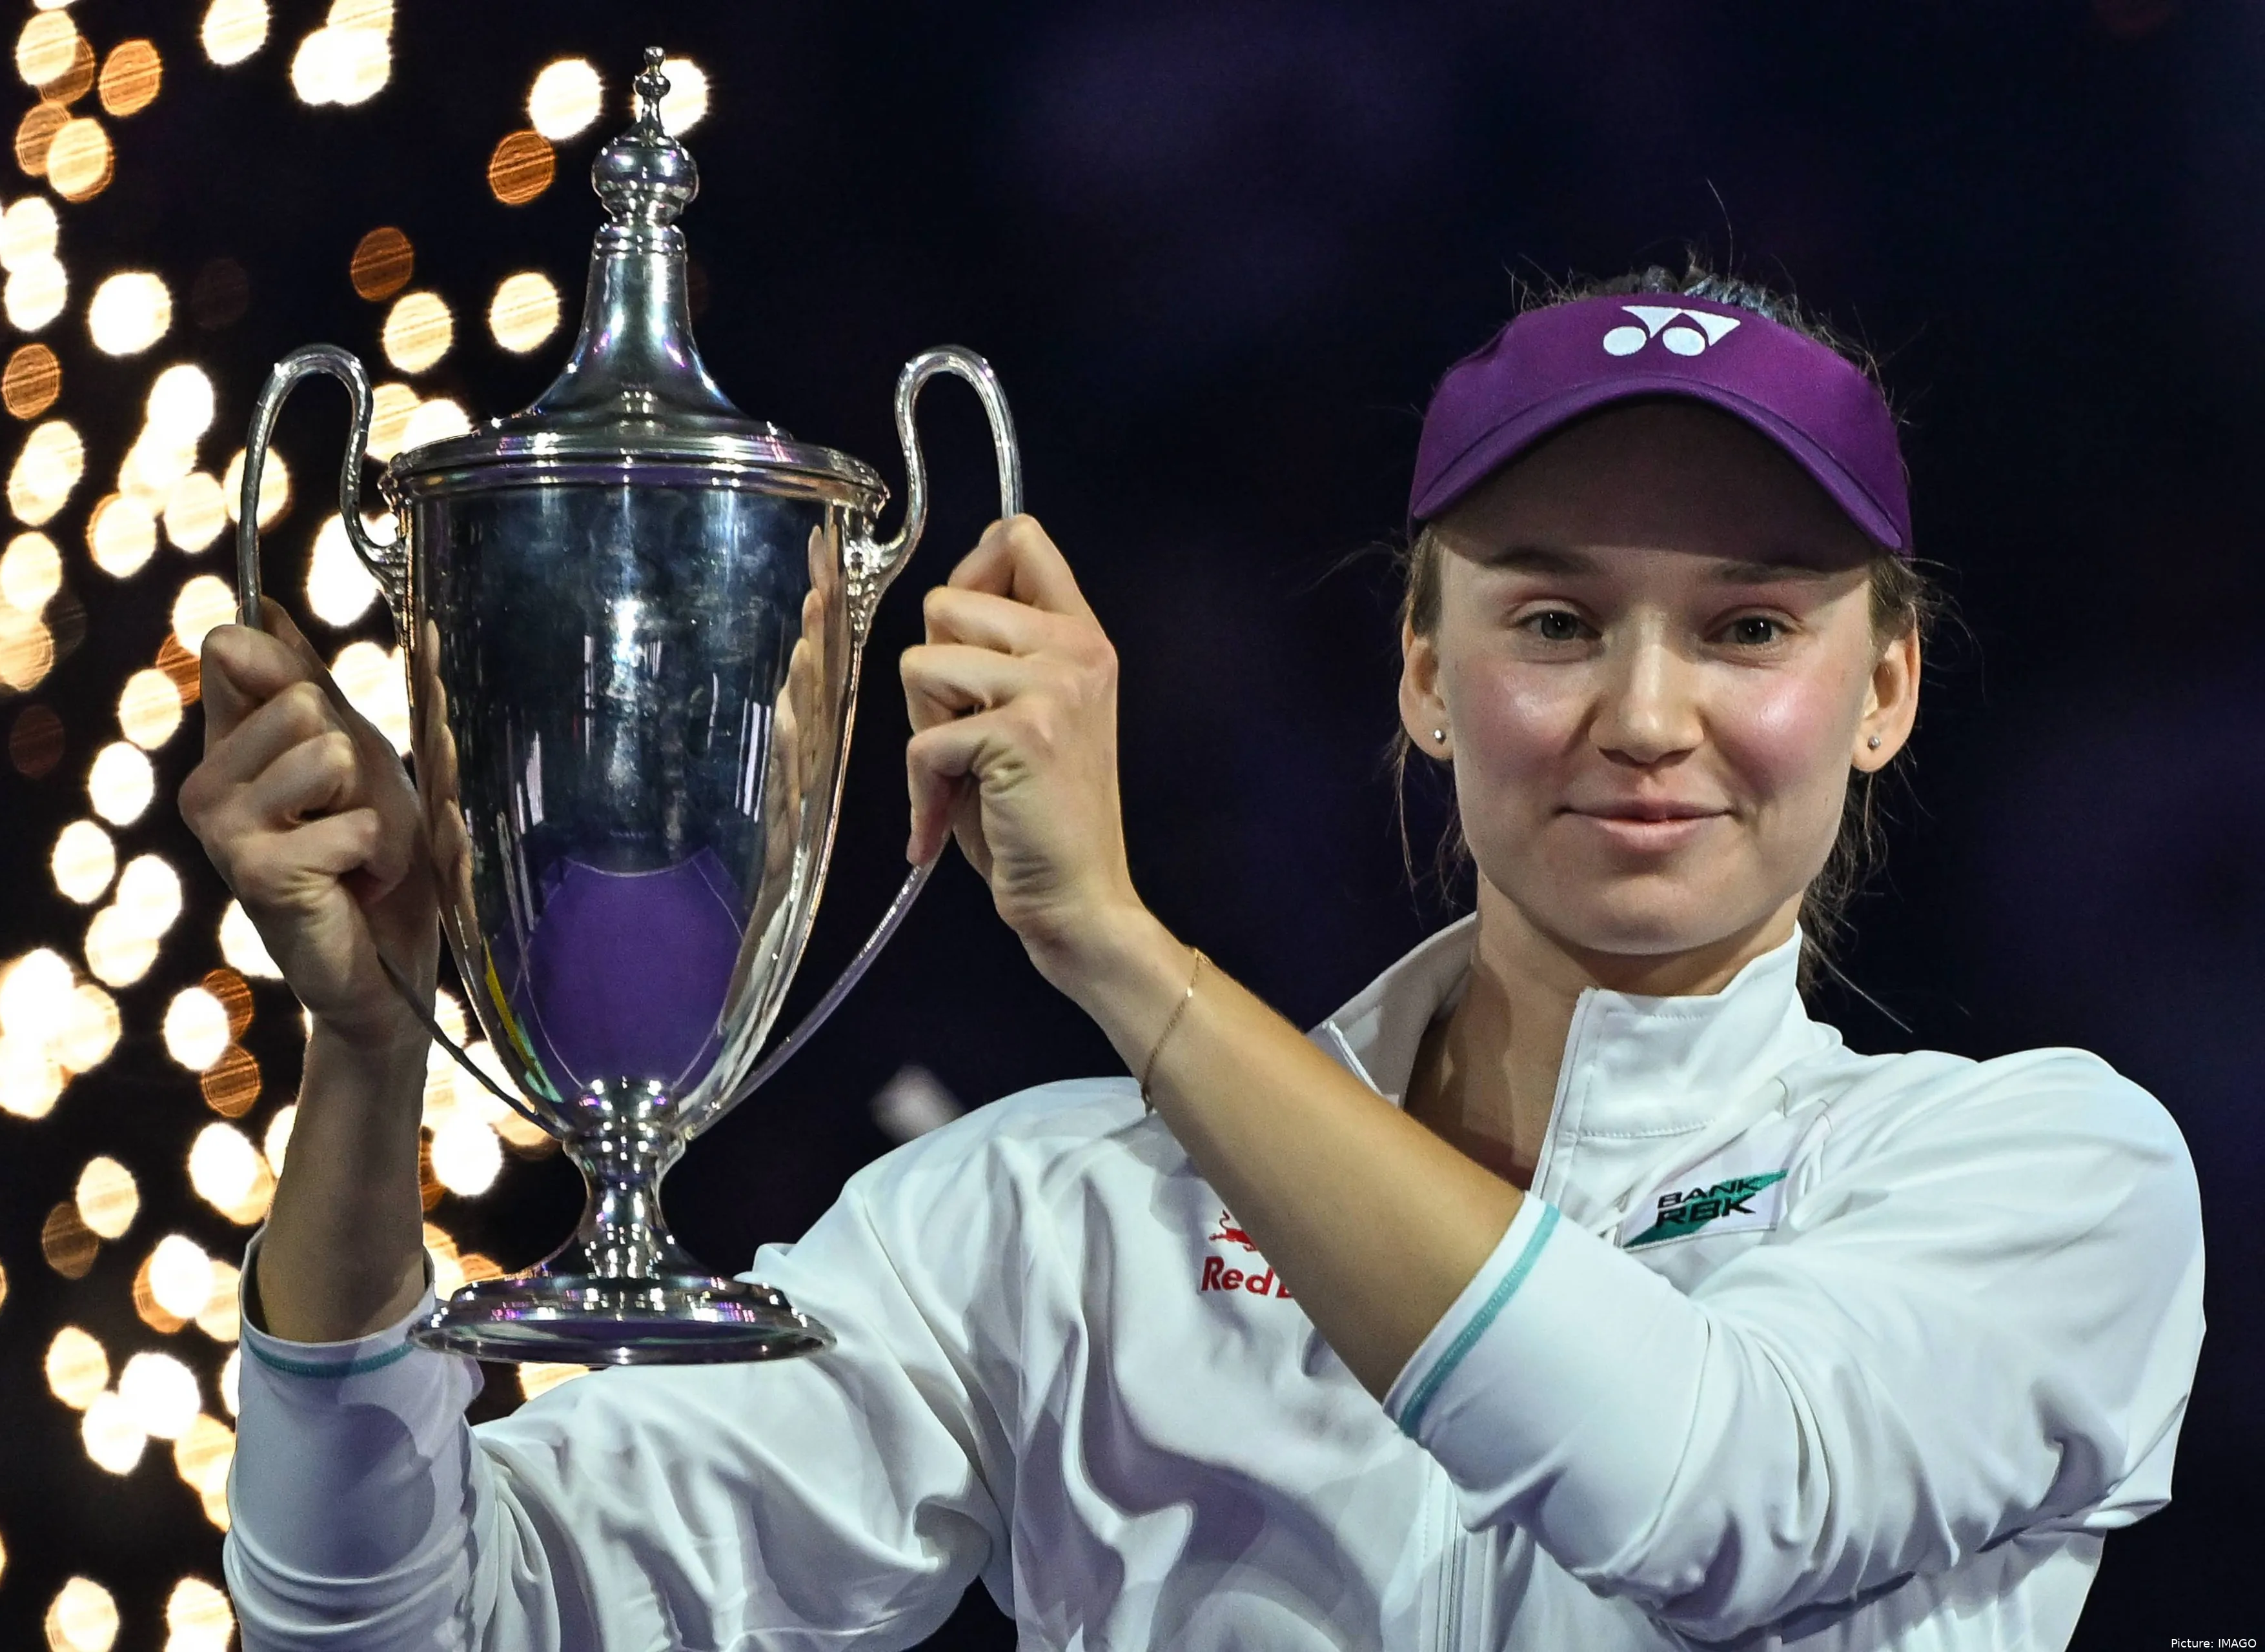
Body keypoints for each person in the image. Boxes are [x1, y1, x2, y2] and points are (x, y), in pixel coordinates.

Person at [186, 264, 2205, 1650]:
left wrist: (1125, 957)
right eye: (1554, 622)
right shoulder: (1063, 1218)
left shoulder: (2039, 1179)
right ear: (1424, 674)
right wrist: (367, 1065)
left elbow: (1698, 1487)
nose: (1648, 715)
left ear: (1886, 690)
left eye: (1751, 628)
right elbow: (407, 1625)